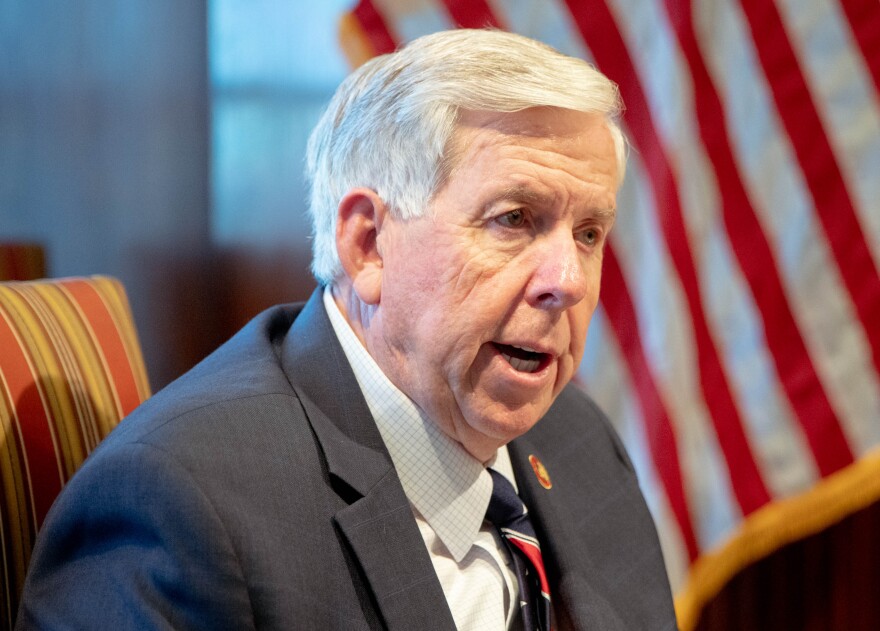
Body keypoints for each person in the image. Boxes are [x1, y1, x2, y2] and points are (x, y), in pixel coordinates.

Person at [17, 29, 677, 630]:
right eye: (513, 219)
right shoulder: (185, 507)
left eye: (589, 232)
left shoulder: (577, 439)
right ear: (369, 245)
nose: (568, 280)